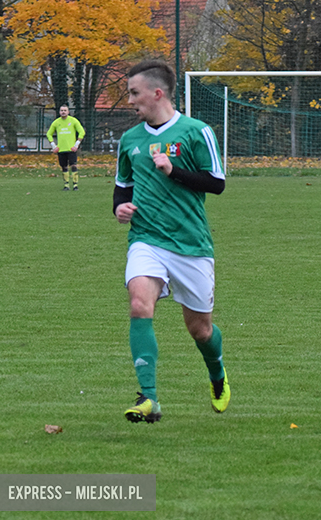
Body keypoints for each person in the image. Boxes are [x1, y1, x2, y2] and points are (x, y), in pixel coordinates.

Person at [113, 60, 229, 423]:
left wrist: (172, 170)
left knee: (200, 330)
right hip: (146, 238)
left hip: (191, 243)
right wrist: (120, 209)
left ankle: (217, 373)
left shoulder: (196, 132)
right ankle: (148, 397)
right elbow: (121, 188)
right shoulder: (130, 140)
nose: (131, 101)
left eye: (134, 93)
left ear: (156, 93)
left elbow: (217, 183)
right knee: (139, 303)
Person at [46, 105, 86, 191]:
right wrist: (54, 146)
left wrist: (76, 145)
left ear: (68, 112)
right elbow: (49, 134)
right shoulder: (56, 122)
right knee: (64, 167)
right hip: (61, 149)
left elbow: (82, 132)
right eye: (61, 110)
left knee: (73, 165)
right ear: (59, 112)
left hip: (71, 149)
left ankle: (75, 185)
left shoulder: (73, 121)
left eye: (65, 110)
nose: (63, 112)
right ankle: (66, 185)